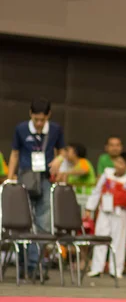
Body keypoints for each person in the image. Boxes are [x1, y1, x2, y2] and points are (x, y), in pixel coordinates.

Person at [7, 98, 66, 278]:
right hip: (25, 178)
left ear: (48, 115)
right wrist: (10, 179)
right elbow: (15, 153)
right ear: (30, 114)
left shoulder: (55, 129)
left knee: (43, 223)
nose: (39, 123)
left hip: (45, 179)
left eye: (42, 119)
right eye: (36, 119)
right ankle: (25, 265)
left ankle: (36, 265)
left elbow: (62, 151)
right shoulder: (21, 129)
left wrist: (59, 159)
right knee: (23, 222)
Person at [85, 152, 126, 279]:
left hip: (120, 213)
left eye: (122, 163)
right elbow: (97, 191)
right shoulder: (106, 174)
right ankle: (96, 268)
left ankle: (116, 270)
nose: (118, 165)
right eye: (117, 161)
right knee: (100, 238)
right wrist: (89, 207)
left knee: (118, 242)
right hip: (104, 210)